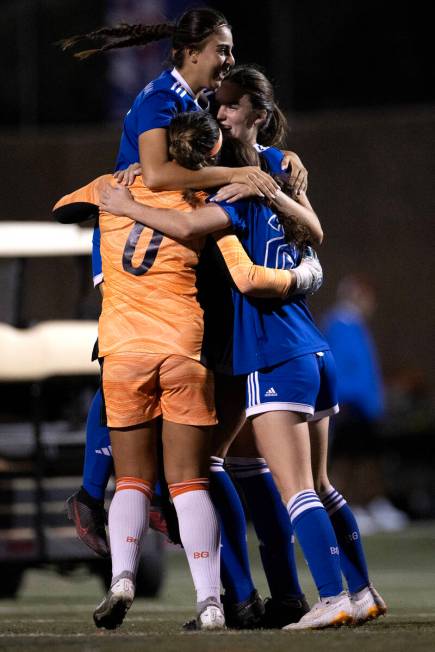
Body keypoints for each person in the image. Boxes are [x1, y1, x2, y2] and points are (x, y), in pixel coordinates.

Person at [101, 125, 387, 630]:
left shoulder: (228, 203)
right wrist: (305, 271)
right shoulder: (276, 192)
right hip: (311, 346)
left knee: (273, 484)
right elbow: (314, 237)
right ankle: (355, 591)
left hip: (257, 353)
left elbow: (240, 270)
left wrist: (125, 202)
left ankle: (297, 597)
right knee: (314, 483)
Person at [54, 111, 320, 631]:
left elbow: (64, 209)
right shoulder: (214, 200)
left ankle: (121, 575)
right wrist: (304, 276)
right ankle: (221, 601)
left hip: (126, 349)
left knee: (134, 478)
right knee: (198, 480)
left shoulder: (114, 184)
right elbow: (246, 274)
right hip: (198, 348)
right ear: (207, 155)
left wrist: (121, 188)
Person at [58, 8, 309, 558]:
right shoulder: (157, 99)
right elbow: (158, 175)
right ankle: (90, 490)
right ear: (193, 52)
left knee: (163, 360)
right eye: (222, 49)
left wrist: (276, 156)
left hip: (168, 241)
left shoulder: (192, 104)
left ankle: (153, 492)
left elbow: (229, 141)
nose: (228, 60)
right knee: (127, 358)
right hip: (131, 240)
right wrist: (238, 174)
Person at [322, 275, 409, 534]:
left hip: (364, 406)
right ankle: (343, 508)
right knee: (346, 460)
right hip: (350, 406)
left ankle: (371, 503)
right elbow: (336, 366)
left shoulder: (356, 325)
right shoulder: (339, 324)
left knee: (369, 457)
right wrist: (343, 400)